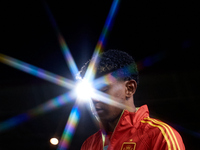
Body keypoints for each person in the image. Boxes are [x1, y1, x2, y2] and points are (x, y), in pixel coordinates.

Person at [79, 49, 185, 150]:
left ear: (129, 88)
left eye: (103, 89)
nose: (94, 99)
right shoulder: (89, 144)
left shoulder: (160, 135)